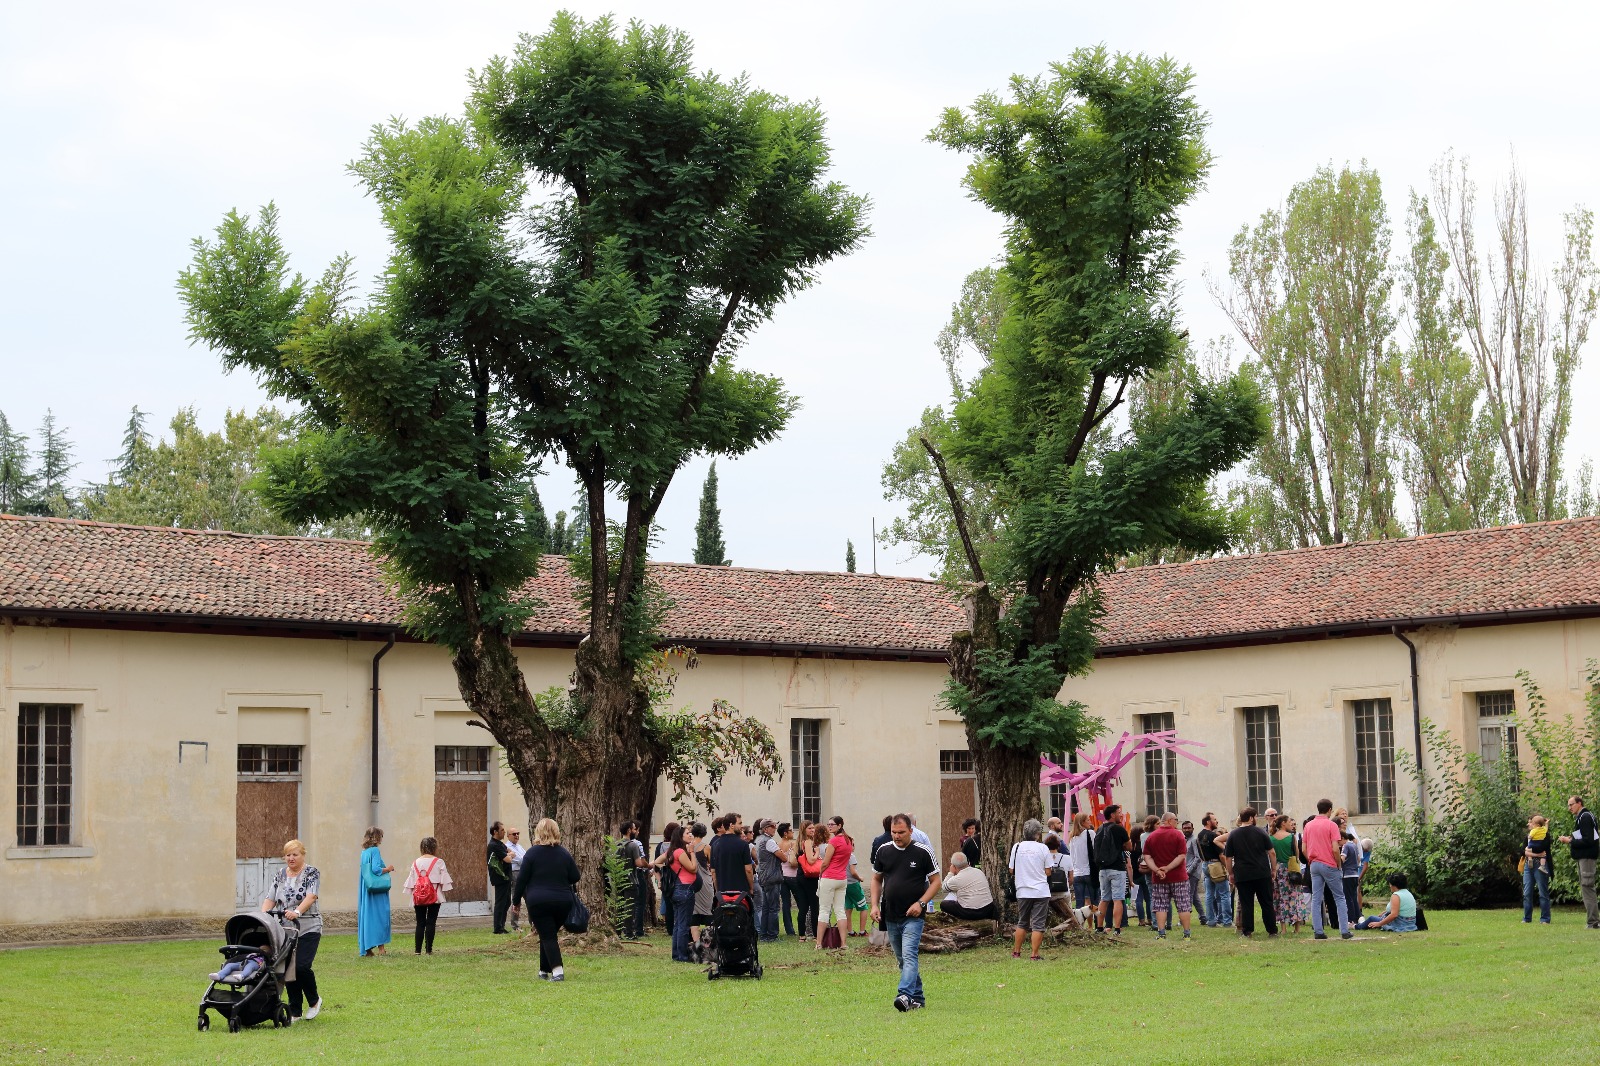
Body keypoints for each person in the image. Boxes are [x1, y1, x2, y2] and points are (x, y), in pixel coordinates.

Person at [870, 813, 942, 1011]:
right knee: (902, 959)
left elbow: (936, 882)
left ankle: (904, 994)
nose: (897, 836)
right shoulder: (883, 850)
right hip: (890, 914)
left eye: (901, 832)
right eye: (894, 832)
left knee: (910, 955)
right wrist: (874, 905)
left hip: (913, 915)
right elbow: (876, 879)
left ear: (911, 831)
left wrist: (921, 903)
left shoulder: (922, 851)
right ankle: (917, 999)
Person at [512, 818, 581, 981]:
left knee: (548, 935)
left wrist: (516, 902)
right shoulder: (564, 853)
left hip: (539, 900)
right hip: (563, 901)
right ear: (556, 831)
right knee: (547, 933)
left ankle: (557, 972)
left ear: (538, 832)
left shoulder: (532, 853)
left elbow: (521, 880)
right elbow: (575, 876)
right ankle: (543, 970)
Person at [262, 839, 321, 1023]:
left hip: (309, 926)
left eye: (295, 854)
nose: (291, 858)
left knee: (302, 966)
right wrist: (262, 917)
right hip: (285, 929)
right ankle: (295, 1010)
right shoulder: (280, 874)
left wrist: (297, 911)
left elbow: (311, 896)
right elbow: (270, 898)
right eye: (288, 855)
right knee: (288, 969)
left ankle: (314, 1001)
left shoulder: (311, 872)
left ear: (303, 855)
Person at [1224, 807, 1278, 937]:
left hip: (1243, 873)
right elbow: (1272, 852)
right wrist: (1273, 869)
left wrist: (1230, 873)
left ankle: (1247, 931)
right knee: (1266, 902)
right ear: (1250, 818)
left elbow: (1228, 857)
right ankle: (1272, 930)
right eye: (1254, 817)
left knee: (1246, 903)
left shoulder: (1233, 834)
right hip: (1261, 872)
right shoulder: (1260, 832)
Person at [1303, 799, 1351, 940]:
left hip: (1314, 864)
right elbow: (1336, 849)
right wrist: (1338, 864)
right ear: (1330, 810)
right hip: (1329, 863)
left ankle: (1318, 930)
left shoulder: (1309, 825)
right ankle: (1344, 930)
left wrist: (1311, 860)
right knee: (1339, 897)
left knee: (1316, 898)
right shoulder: (1331, 825)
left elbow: (1304, 848)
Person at [1143, 813, 1192, 940]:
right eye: (1176, 820)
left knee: (1160, 905)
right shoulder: (1178, 834)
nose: (1177, 822)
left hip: (1159, 877)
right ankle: (1186, 933)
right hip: (1179, 877)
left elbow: (1147, 856)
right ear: (1170, 821)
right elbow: (1181, 855)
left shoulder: (1152, 836)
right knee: (1183, 904)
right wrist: (1168, 868)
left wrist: (1157, 870)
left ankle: (1161, 933)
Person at [1009, 818, 1052, 960]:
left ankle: (1017, 952)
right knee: (1038, 924)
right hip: (1040, 890)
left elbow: (1011, 869)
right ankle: (1034, 954)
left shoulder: (1017, 847)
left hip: (1022, 889)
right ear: (1038, 833)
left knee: (1022, 922)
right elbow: (1048, 871)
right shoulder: (1043, 848)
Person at [404, 836, 453, 955]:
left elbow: (411, 881)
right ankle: (428, 950)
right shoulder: (439, 862)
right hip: (434, 895)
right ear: (434, 847)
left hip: (419, 896)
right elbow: (444, 881)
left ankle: (417, 950)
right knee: (431, 922)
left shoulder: (415, 862)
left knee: (420, 923)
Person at [1557, 795, 1600, 929]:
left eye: (1571, 804)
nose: (1569, 808)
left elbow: (1589, 840)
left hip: (1587, 858)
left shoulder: (1585, 817)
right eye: (1568, 805)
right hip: (1584, 857)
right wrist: (1573, 839)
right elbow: (1589, 837)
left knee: (1587, 887)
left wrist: (1569, 841)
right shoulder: (1584, 817)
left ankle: (1593, 922)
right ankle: (1593, 921)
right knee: (1586, 887)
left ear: (1579, 803)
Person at [659, 823, 698, 962]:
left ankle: (676, 954)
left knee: (678, 923)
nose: (690, 835)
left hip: (676, 889)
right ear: (680, 837)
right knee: (683, 924)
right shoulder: (680, 852)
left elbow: (657, 861)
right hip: (685, 889)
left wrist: (665, 873)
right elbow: (693, 868)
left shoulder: (671, 851)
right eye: (688, 833)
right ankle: (682, 955)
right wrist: (692, 852)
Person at [815, 815, 854, 949]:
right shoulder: (848, 840)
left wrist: (820, 872)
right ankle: (843, 943)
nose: (829, 826)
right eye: (829, 824)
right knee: (840, 910)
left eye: (832, 824)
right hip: (842, 878)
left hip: (829, 877)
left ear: (839, 825)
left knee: (824, 910)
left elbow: (826, 861)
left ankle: (819, 943)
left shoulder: (834, 841)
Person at [1094, 805, 1132, 936]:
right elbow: (1129, 846)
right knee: (1118, 899)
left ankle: (1099, 927)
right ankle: (1117, 928)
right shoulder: (1119, 829)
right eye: (1118, 813)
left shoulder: (1099, 829)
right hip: (1117, 868)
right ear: (1112, 815)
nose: (1120, 815)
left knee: (1104, 898)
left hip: (1103, 869)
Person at [357, 826, 394, 957]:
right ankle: (381, 949)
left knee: (368, 917)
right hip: (376, 891)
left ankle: (367, 948)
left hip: (366, 889)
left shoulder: (364, 852)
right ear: (377, 837)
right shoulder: (375, 851)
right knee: (380, 916)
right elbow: (376, 870)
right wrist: (388, 869)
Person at [1269, 816, 1308, 934]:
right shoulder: (1291, 837)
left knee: (1280, 897)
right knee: (1295, 896)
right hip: (1291, 868)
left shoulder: (1271, 838)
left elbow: (1271, 854)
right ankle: (1296, 928)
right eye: (1289, 822)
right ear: (1283, 824)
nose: (1291, 824)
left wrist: (1274, 869)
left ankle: (1283, 929)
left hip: (1278, 869)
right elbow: (1296, 853)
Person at [939, 851, 998, 920]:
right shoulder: (979, 872)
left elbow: (944, 888)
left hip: (971, 912)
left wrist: (951, 873)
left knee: (944, 904)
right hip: (988, 909)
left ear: (954, 866)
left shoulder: (956, 879)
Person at [616, 821, 649, 940]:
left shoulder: (616, 844)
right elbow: (638, 863)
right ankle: (629, 932)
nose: (635, 831)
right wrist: (647, 865)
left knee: (619, 906)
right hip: (631, 879)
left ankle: (618, 931)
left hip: (618, 879)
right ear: (629, 830)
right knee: (629, 907)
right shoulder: (633, 845)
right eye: (634, 829)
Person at [1197, 812, 1231, 928]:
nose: (1217, 821)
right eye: (1214, 819)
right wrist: (1228, 868)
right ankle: (1227, 921)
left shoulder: (1199, 835)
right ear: (1208, 822)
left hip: (1205, 865)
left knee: (1209, 895)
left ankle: (1211, 921)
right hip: (1215, 865)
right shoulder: (1213, 836)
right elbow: (1221, 855)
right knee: (1225, 894)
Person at [755, 818, 785, 941]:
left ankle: (763, 934)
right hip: (772, 877)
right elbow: (784, 858)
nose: (775, 828)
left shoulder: (759, 839)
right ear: (766, 829)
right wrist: (783, 852)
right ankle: (772, 935)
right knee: (774, 908)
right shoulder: (769, 841)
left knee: (766, 907)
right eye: (773, 826)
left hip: (763, 876)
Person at [711, 813, 754, 896]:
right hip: (741, 892)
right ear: (731, 825)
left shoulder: (715, 845)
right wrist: (751, 888)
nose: (742, 826)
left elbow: (713, 872)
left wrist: (717, 890)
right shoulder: (743, 844)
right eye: (740, 823)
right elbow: (748, 869)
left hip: (723, 892)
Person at [1067, 812, 1099, 922]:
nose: (1090, 822)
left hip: (1077, 873)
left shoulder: (1072, 837)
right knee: (1095, 899)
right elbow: (1095, 849)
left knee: (1079, 902)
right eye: (1088, 820)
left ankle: (1078, 923)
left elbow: (1071, 856)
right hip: (1089, 871)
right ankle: (1097, 923)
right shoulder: (1089, 833)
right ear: (1082, 822)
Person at [1522, 814, 1553, 924]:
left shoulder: (1544, 835)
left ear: (1536, 824)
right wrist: (1535, 854)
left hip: (1540, 865)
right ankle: (1527, 918)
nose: (1528, 824)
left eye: (1530, 822)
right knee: (1527, 892)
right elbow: (1523, 851)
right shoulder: (1528, 836)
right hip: (1528, 865)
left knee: (1543, 892)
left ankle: (1545, 918)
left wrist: (1530, 851)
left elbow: (1541, 848)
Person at [794, 821, 823, 938]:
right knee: (814, 906)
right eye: (810, 828)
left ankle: (802, 935)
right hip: (810, 878)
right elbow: (811, 860)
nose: (813, 830)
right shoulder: (808, 842)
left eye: (813, 828)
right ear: (804, 830)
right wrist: (817, 853)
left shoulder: (798, 843)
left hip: (800, 876)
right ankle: (816, 935)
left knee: (803, 907)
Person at [652, 820, 681, 936]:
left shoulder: (660, 846)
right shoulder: (678, 847)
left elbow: (656, 866)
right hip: (677, 878)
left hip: (665, 878)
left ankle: (669, 928)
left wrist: (659, 880)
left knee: (668, 903)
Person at [487, 821, 513, 935]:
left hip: (506, 877)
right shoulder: (493, 845)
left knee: (507, 902)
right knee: (500, 902)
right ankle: (497, 928)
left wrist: (509, 855)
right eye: (502, 830)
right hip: (500, 877)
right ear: (495, 832)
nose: (504, 832)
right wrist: (509, 856)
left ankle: (501, 926)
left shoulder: (500, 844)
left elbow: (511, 853)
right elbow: (508, 859)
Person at [1338, 817, 1362, 930]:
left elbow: (1342, 859)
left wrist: (1336, 861)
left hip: (1347, 875)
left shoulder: (1345, 846)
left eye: (1339, 841)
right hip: (1355, 874)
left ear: (1343, 838)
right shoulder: (1353, 845)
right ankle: (1358, 917)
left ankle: (1351, 920)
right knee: (1354, 896)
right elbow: (1358, 859)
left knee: (1348, 898)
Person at [1182, 819, 1207, 926]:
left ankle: (1183, 919)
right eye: (1185, 828)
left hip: (1192, 872)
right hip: (1187, 871)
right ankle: (1203, 918)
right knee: (1194, 896)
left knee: (1188, 895)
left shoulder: (1194, 840)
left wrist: (1189, 871)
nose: (1187, 830)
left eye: (1189, 828)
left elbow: (1198, 857)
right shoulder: (1184, 840)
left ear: (1193, 828)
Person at [776, 822, 799, 936]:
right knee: (801, 902)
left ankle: (789, 929)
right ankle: (803, 925)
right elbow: (794, 861)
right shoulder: (792, 843)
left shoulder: (778, 845)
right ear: (785, 833)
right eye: (790, 830)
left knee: (785, 903)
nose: (793, 832)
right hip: (793, 876)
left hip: (782, 876)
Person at [504, 827, 527, 932]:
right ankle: (515, 925)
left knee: (529, 897)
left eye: (518, 833)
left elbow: (526, 858)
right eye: (514, 834)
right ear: (508, 836)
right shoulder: (507, 847)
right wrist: (524, 859)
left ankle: (533, 924)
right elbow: (521, 861)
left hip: (523, 873)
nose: (516, 835)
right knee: (516, 900)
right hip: (515, 873)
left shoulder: (519, 847)